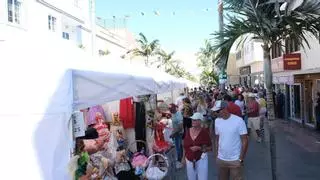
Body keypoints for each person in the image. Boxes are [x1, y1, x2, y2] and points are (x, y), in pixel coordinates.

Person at [212, 101, 248, 180]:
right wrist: (216, 155)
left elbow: (244, 141)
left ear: (224, 109)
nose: (216, 113)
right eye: (215, 111)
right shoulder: (217, 121)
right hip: (221, 159)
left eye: (217, 111)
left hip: (235, 159)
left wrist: (241, 159)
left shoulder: (238, 121)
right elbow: (217, 139)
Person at [183, 113, 212, 180]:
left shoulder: (204, 132)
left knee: (202, 178)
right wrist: (183, 158)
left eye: (195, 120)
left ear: (200, 121)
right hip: (189, 160)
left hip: (201, 159)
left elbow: (210, 147)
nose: (193, 121)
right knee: (191, 178)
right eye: (192, 120)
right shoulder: (187, 131)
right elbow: (184, 146)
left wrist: (199, 148)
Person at [169, 103, 184, 169]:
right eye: (169, 109)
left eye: (170, 108)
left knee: (179, 148)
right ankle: (179, 160)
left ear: (174, 108)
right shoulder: (173, 113)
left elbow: (180, 127)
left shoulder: (178, 114)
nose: (169, 110)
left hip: (179, 134)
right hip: (176, 134)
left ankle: (180, 162)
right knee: (178, 148)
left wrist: (173, 133)